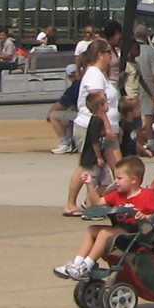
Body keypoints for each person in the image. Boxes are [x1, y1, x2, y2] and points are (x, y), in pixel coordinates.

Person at [53, 156, 154, 280]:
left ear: (133, 180)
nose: (116, 181)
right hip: (121, 229)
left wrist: (146, 216)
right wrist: (89, 185)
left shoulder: (147, 195)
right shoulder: (117, 195)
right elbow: (97, 202)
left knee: (104, 233)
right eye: (115, 178)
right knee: (92, 229)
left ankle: (86, 266)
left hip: (135, 233)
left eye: (119, 178)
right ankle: (78, 263)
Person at [65, 87, 119, 216]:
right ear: (100, 106)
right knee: (92, 183)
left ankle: (91, 204)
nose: (108, 105)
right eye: (106, 102)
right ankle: (90, 210)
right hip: (92, 159)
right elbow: (94, 142)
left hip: (99, 159)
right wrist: (99, 157)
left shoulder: (100, 119)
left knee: (105, 183)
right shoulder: (95, 121)